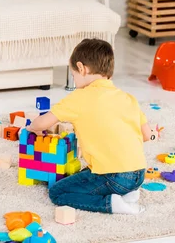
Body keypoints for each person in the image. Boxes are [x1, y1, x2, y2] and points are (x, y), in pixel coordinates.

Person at [27, 39, 151, 214]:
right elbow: (146, 135)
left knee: (58, 192)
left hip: (113, 176)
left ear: (82, 68)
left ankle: (111, 204)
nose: (75, 79)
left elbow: (42, 123)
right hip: (138, 174)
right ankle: (128, 194)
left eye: (74, 75)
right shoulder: (128, 98)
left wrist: (33, 127)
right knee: (84, 175)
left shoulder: (79, 98)